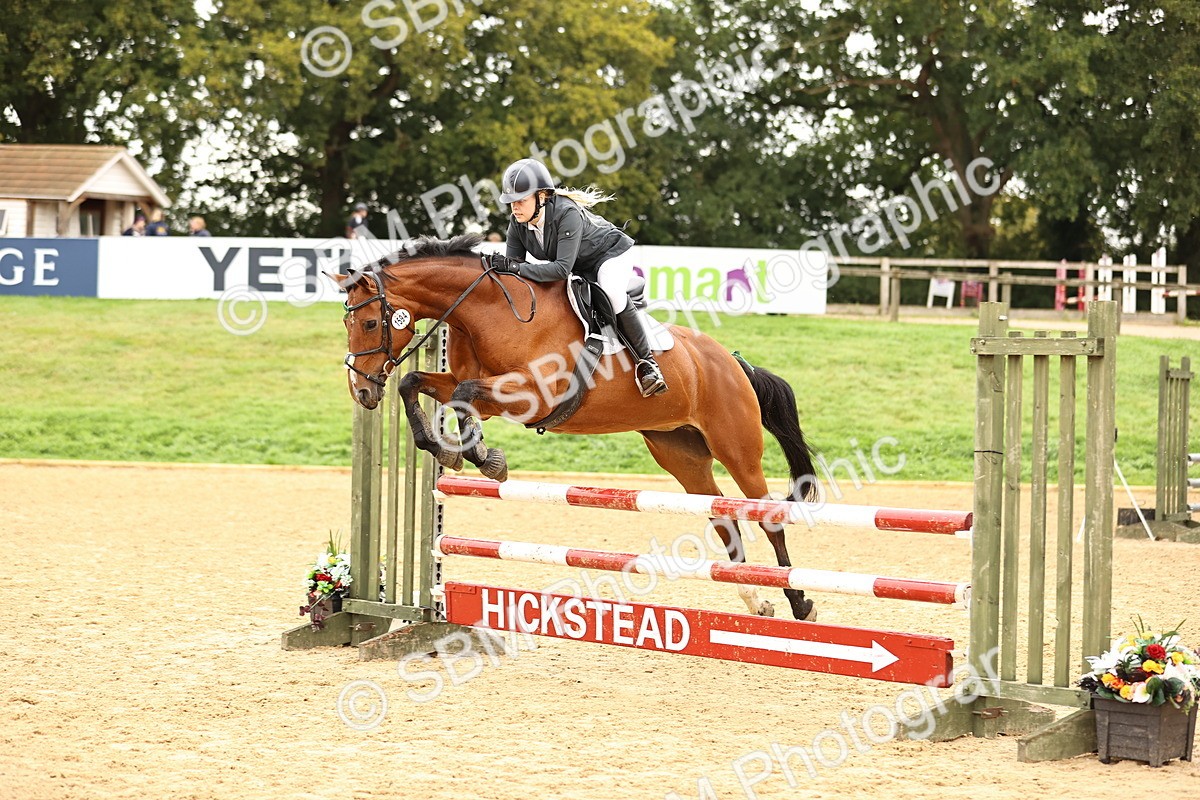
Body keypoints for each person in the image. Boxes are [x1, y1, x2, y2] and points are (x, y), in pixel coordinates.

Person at [490, 158, 666, 397]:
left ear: (541, 197)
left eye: (520, 200)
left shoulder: (566, 213)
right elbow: (515, 273)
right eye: (510, 202)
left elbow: (560, 270)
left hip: (609, 255)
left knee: (612, 294)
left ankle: (648, 365)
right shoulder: (517, 224)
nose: (514, 207)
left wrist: (515, 268)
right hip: (579, 266)